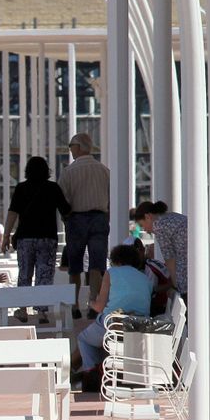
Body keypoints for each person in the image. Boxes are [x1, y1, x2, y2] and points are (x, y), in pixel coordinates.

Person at [2, 155, 73, 324]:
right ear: (46, 171)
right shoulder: (53, 188)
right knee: (44, 274)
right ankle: (42, 312)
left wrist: (6, 236)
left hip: (25, 238)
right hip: (47, 238)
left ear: (27, 171)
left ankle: (22, 309)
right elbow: (66, 212)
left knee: (25, 273)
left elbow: (13, 213)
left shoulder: (21, 188)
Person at [75, 242, 153, 384]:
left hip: (115, 324)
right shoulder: (145, 279)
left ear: (116, 260)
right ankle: (100, 370)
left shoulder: (111, 273)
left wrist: (90, 301)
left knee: (84, 339)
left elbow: (99, 307)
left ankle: (92, 372)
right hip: (139, 326)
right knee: (99, 338)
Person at [59, 132, 112, 318]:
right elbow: (111, 198)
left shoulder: (69, 172)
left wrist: (67, 219)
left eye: (71, 145)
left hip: (76, 219)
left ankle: (74, 305)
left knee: (75, 264)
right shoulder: (104, 170)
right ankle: (94, 302)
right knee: (97, 263)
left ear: (79, 147)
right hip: (99, 218)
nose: (70, 149)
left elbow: (62, 200)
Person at [134, 201, 188, 303]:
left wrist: (175, 285)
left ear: (148, 217)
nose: (145, 230)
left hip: (185, 274)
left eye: (143, 225)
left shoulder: (159, 226)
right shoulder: (172, 216)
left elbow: (169, 258)